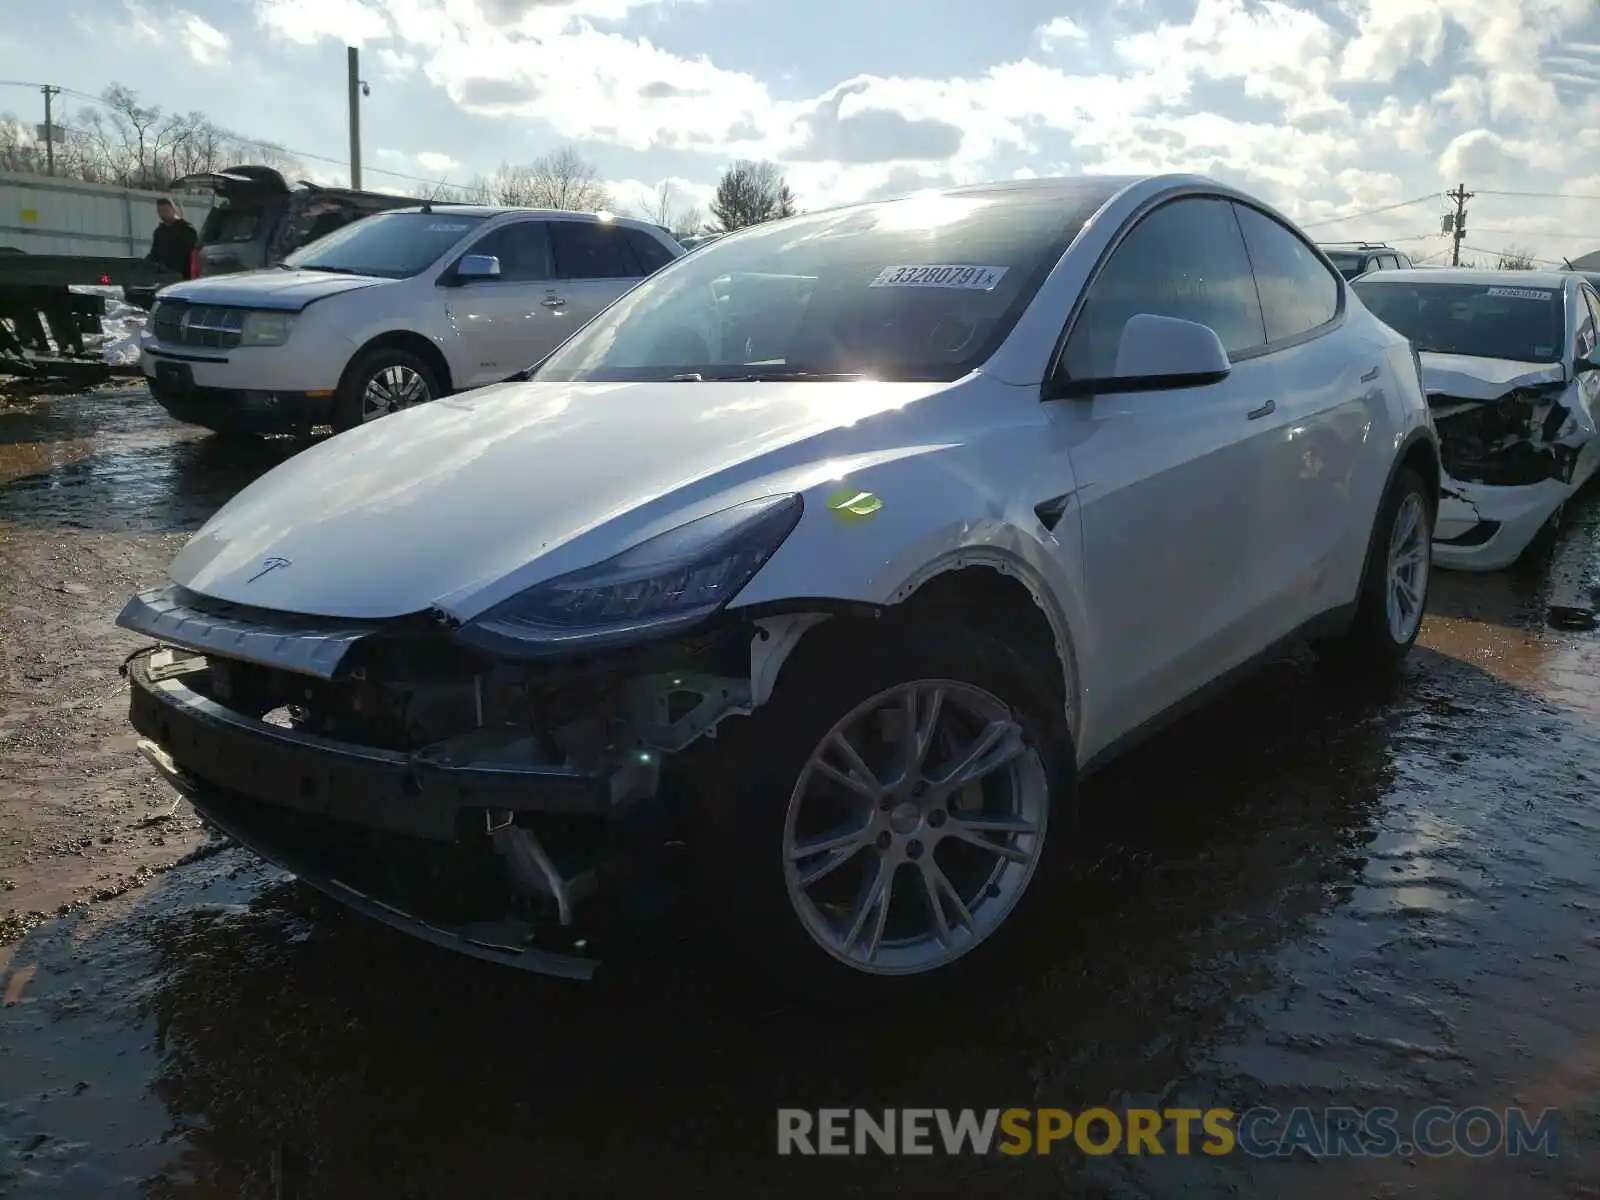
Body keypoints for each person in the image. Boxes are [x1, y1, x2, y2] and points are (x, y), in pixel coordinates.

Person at [146, 198, 198, 280]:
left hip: (182, 275)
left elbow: (190, 254)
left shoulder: (186, 230)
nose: (163, 214)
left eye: (166, 211)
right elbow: (154, 252)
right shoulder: (159, 232)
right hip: (162, 274)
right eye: (160, 211)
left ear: (173, 209)